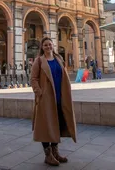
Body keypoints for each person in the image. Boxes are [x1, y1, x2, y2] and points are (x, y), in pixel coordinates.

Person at [31, 37, 76, 166]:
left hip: (59, 97)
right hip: (46, 99)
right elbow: (33, 79)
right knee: (45, 126)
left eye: (50, 44)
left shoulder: (58, 59)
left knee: (57, 124)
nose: (48, 47)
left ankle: (55, 151)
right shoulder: (39, 61)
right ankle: (48, 155)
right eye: (45, 45)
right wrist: (40, 93)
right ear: (42, 47)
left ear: (53, 46)